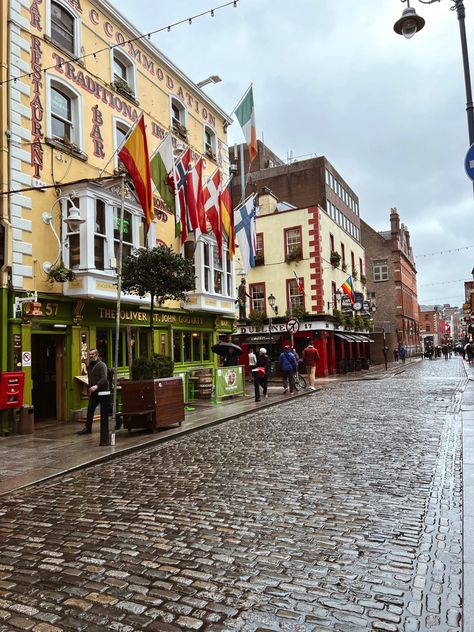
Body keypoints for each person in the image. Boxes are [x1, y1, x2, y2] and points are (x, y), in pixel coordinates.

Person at [77, 348, 110, 445]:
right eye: (89, 354)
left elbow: (104, 378)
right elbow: (90, 378)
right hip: (94, 392)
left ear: (96, 354)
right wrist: (90, 387)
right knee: (90, 409)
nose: (90, 356)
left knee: (107, 410)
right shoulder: (89, 366)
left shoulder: (102, 365)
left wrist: (97, 385)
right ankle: (88, 428)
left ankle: (118, 420)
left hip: (103, 391)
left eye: (92, 354)